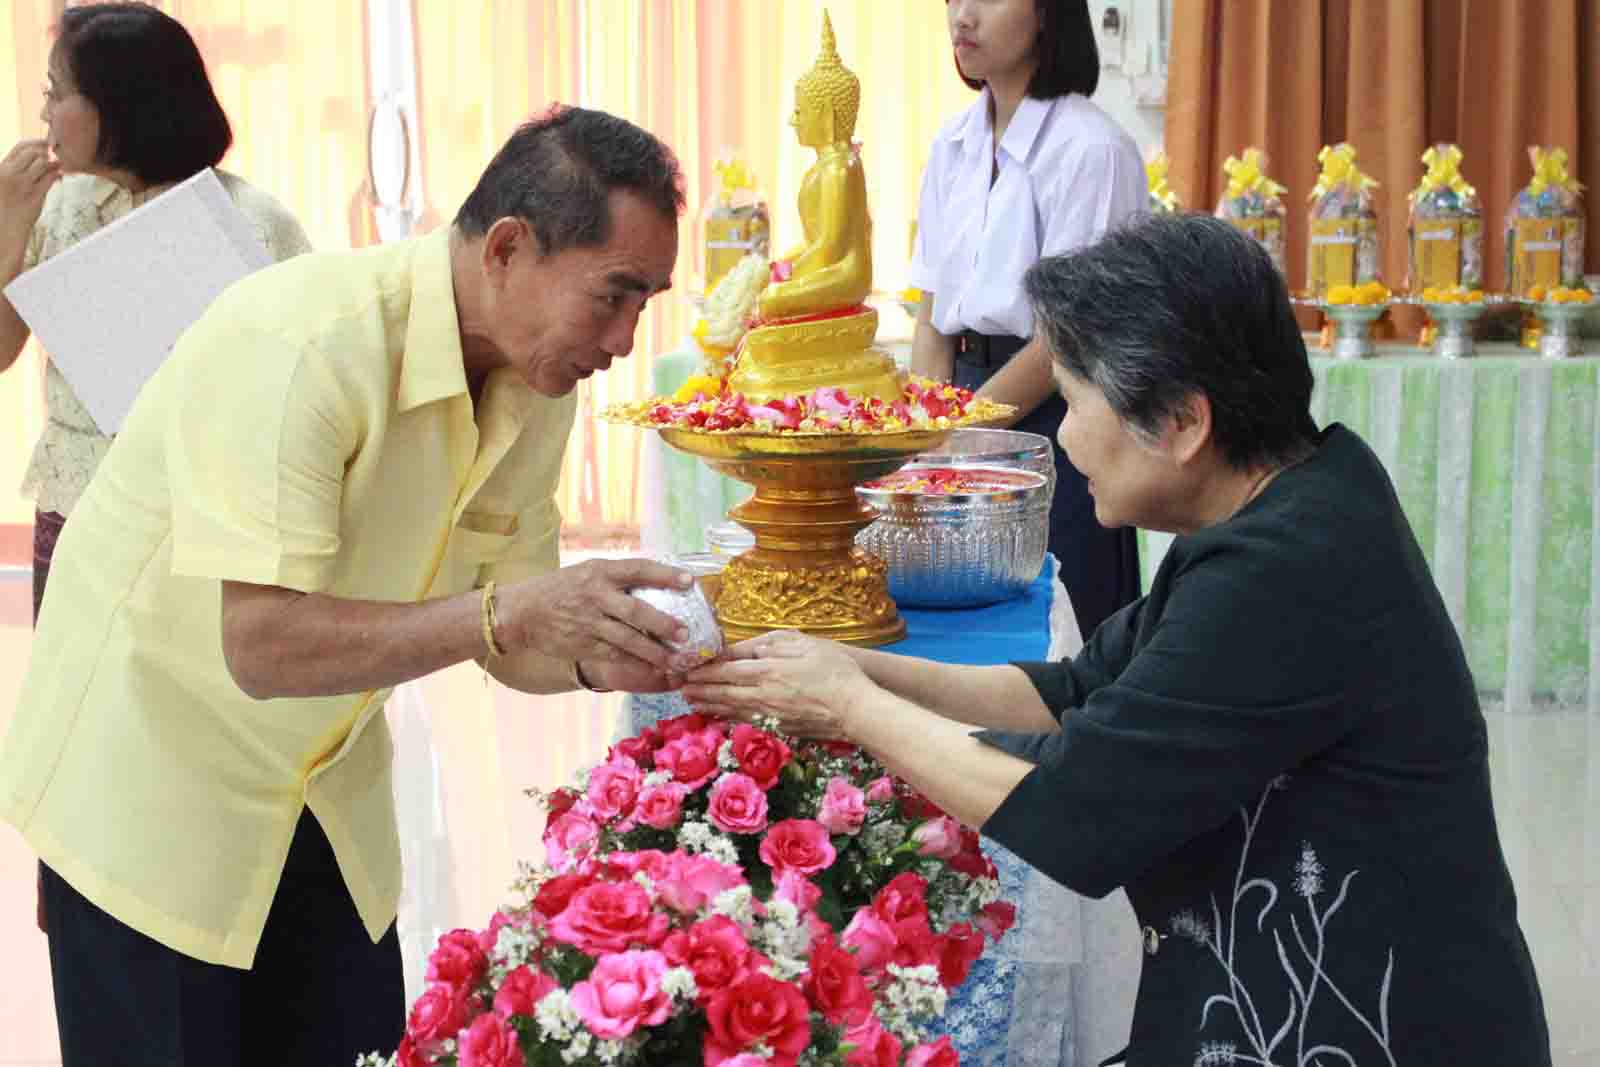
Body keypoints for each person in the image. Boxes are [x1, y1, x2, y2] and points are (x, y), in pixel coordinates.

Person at [686, 214, 1552, 1066]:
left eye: (1072, 400)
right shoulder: (1288, 500)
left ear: (1182, 422)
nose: (1062, 435)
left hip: (1364, 1027)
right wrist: (858, 668)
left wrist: (849, 706)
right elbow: (1076, 690)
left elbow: (1072, 810)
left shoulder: (1287, 567)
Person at [0, 105, 698, 1067]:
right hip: (151, 778)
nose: (624, 339)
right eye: (613, 295)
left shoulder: (539, 383)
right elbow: (261, 645)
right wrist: (503, 614)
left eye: (645, 304)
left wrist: (612, 655)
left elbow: (520, 629)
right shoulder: (301, 342)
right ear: (506, 249)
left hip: (321, 785)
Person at [0, 1, 311, 940]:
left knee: (182, 756)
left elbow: (308, 383)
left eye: (58, 93)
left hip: (199, 533)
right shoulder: (57, 208)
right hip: (78, 520)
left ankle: (199, 927)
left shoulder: (253, 221)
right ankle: (88, 934)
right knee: (81, 744)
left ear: (121, 106)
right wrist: (5, 227)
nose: (43, 113)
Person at [910, 0, 1144, 639]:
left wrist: (960, 432)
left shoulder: (1093, 149)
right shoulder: (951, 145)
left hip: (1061, 422)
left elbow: (1065, 336)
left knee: (1062, 637)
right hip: (962, 406)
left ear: (1047, 13)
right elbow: (932, 314)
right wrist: (927, 428)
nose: (962, 16)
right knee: (956, 636)